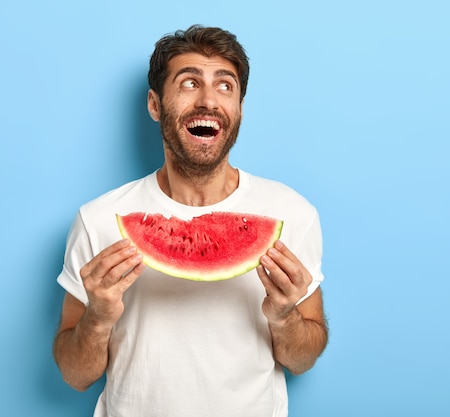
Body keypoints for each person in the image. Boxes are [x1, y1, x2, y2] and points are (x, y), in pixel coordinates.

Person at [53, 25, 328, 417]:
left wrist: (284, 317)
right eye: (188, 83)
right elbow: (74, 376)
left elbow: (303, 360)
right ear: (154, 104)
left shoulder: (291, 214)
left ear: (239, 110)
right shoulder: (99, 219)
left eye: (225, 86)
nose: (209, 100)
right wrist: (97, 318)